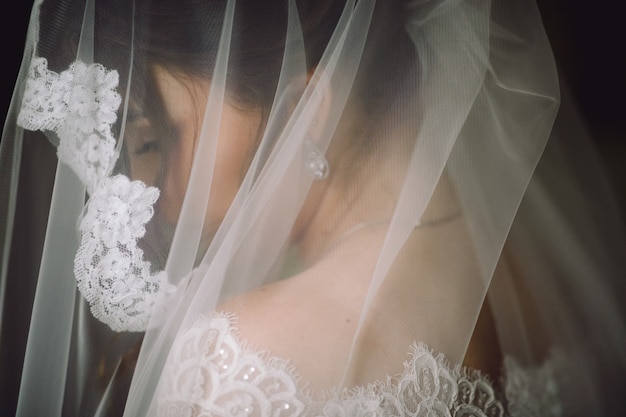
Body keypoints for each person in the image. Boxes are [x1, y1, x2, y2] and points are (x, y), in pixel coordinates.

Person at [1, 0, 625, 416]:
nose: (150, 193)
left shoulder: (243, 359)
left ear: (300, 112)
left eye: (153, 141)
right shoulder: (543, 272)